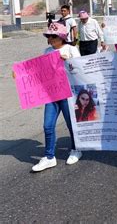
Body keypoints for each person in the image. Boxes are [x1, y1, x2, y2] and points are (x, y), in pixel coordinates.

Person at [24, 23, 82, 172]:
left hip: (68, 93)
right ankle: (49, 157)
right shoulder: (47, 51)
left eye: (53, 36)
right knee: (47, 125)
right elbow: (38, 71)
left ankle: (76, 149)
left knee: (71, 124)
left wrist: (68, 63)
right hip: (51, 94)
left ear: (62, 37)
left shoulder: (71, 49)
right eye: (49, 36)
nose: (51, 39)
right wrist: (21, 74)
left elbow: (81, 70)